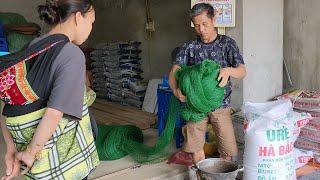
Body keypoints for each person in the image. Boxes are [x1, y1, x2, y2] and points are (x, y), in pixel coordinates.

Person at [0, 0, 99, 179]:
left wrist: (11, 149)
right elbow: (54, 112)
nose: (91, 28)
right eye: (91, 22)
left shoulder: (33, 46)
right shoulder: (71, 53)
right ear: (78, 17)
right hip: (60, 163)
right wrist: (31, 152)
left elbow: (8, 104)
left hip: (32, 160)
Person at [169, 3, 246, 164]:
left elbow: (242, 70)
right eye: (197, 26)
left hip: (221, 105)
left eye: (205, 24)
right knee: (195, 149)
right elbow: (174, 71)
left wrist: (228, 71)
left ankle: (221, 173)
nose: (201, 29)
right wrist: (176, 91)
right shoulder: (190, 47)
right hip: (196, 107)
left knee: (227, 151)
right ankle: (200, 172)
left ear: (214, 19)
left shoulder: (227, 44)